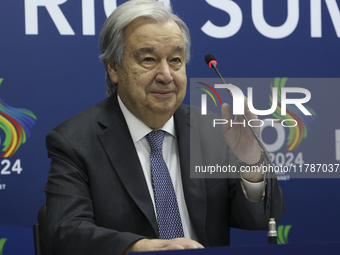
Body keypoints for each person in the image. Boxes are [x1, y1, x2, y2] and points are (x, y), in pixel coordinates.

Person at [44, 0, 285, 254]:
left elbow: (261, 219)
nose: (166, 75)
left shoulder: (215, 131)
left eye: (176, 60)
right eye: (148, 59)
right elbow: (66, 230)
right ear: (114, 67)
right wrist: (138, 248)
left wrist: (250, 163)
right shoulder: (74, 141)